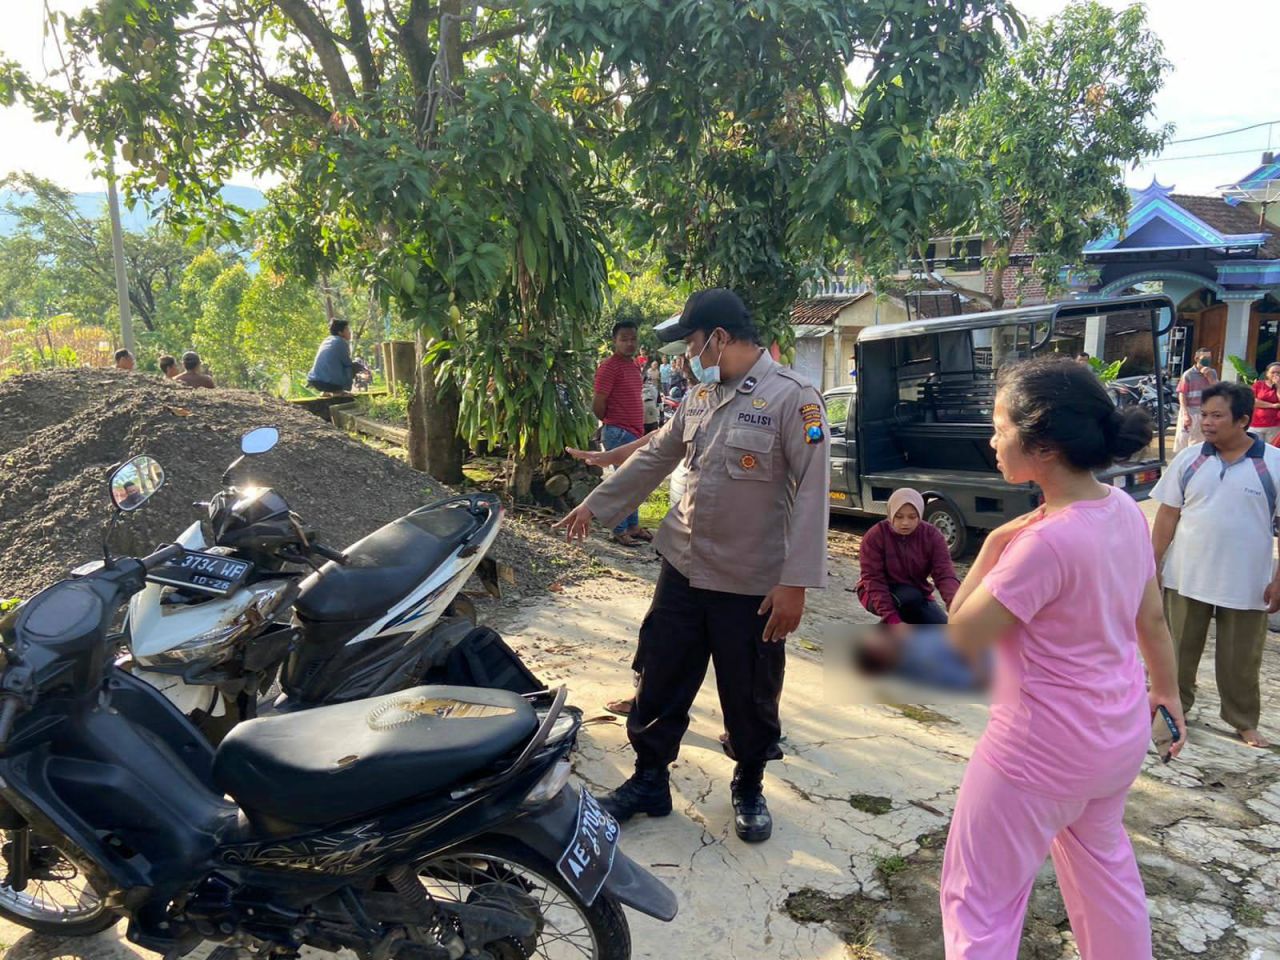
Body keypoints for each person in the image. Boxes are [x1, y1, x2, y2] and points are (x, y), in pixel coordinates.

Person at [556, 287, 830, 843]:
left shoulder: (793, 399)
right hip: (682, 568)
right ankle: (649, 779)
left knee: (750, 691)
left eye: (691, 342)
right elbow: (658, 455)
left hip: (750, 582)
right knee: (660, 675)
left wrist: (795, 582)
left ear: (719, 338)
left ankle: (749, 783)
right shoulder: (700, 398)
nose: (687, 354)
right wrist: (596, 503)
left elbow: (813, 493)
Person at [938, 355, 1184, 958]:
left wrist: (994, 543)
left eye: (999, 427)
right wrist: (1168, 693)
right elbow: (1150, 619)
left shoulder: (1040, 544)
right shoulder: (1124, 510)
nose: (992, 440)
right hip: (1114, 741)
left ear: (1042, 444)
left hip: (1036, 755)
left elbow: (961, 640)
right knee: (1106, 878)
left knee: (979, 901)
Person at [1152, 380, 1280, 749]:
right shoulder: (1190, 459)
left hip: (1246, 584)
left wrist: (1279, 579)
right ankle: (1173, 711)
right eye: (1203, 414)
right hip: (1186, 577)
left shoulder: (1271, 464)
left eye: (1216, 415)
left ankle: (1242, 721)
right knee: (1176, 651)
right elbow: (1166, 517)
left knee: (1241, 659)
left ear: (1243, 420)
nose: (1206, 422)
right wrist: (1153, 564)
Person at [856, 488, 959, 626]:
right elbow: (873, 580)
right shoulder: (875, 536)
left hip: (918, 592)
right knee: (909, 598)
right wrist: (892, 619)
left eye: (912, 517)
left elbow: (945, 574)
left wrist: (955, 605)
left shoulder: (932, 536)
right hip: (876, 593)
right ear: (891, 514)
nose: (905, 522)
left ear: (920, 515)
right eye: (899, 516)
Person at [592, 320, 649, 546]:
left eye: (633, 338)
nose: (629, 343)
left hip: (634, 432)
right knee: (623, 482)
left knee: (634, 481)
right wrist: (609, 421)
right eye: (624, 339)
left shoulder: (634, 365)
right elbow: (598, 402)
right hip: (618, 431)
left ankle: (632, 525)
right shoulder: (609, 367)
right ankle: (618, 528)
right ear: (614, 341)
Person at [1174, 347, 1218, 453]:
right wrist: (1185, 413)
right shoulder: (1188, 374)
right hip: (1189, 410)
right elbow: (1182, 394)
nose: (1207, 360)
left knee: (1198, 441)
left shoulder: (1212, 373)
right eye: (1204, 358)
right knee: (1183, 440)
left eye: (1209, 358)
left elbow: (1218, 390)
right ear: (1197, 358)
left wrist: (1209, 377)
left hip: (1204, 412)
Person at [307, 319, 355, 394]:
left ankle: (325, 392)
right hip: (329, 383)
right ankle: (339, 391)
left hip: (315, 380)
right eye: (347, 329)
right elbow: (347, 363)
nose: (350, 332)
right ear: (340, 332)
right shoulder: (341, 342)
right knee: (354, 366)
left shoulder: (327, 340)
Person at [1250, 362, 1280, 444]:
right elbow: (1252, 401)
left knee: (1271, 450)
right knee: (1255, 448)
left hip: (1275, 425)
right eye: (1273, 372)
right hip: (1256, 424)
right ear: (1267, 374)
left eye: (1278, 373)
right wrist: (1272, 405)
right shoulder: (1259, 385)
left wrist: (1278, 386)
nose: (1276, 375)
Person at [642, 366, 662, 435]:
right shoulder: (654, 389)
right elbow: (660, 404)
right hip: (653, 419)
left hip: (642, 420)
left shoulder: (636, 390)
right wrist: (661, 418)